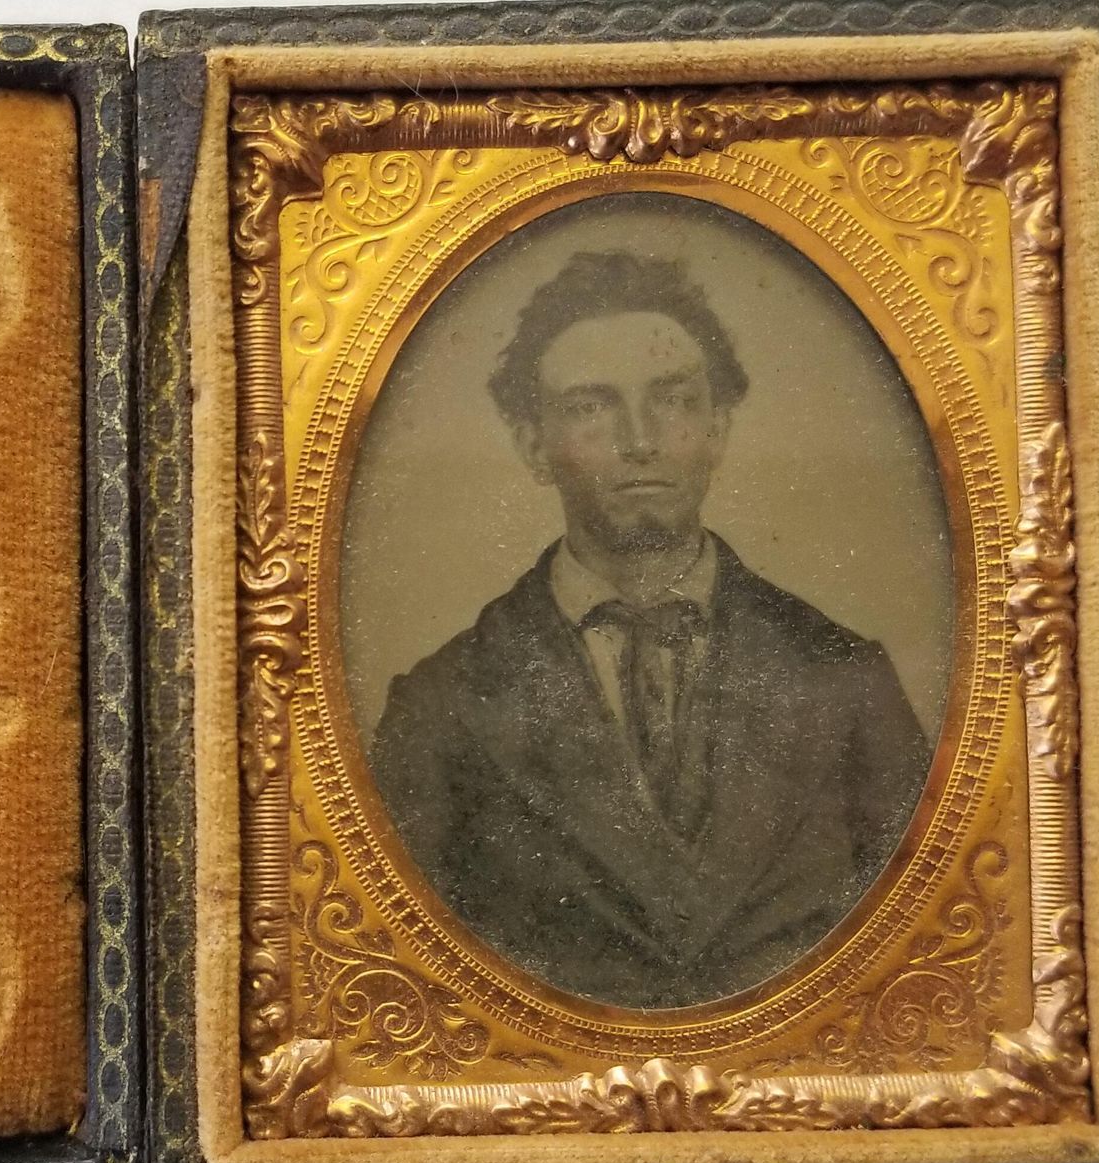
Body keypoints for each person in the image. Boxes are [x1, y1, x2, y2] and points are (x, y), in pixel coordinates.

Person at [369, 249, 934, 1009]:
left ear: (718, 427)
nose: (640, 440)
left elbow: (919, 951)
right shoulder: (441, 707)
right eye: (591, 407)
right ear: (534, 443)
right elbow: (413, 986)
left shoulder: (844, 677)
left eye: (674, 399)